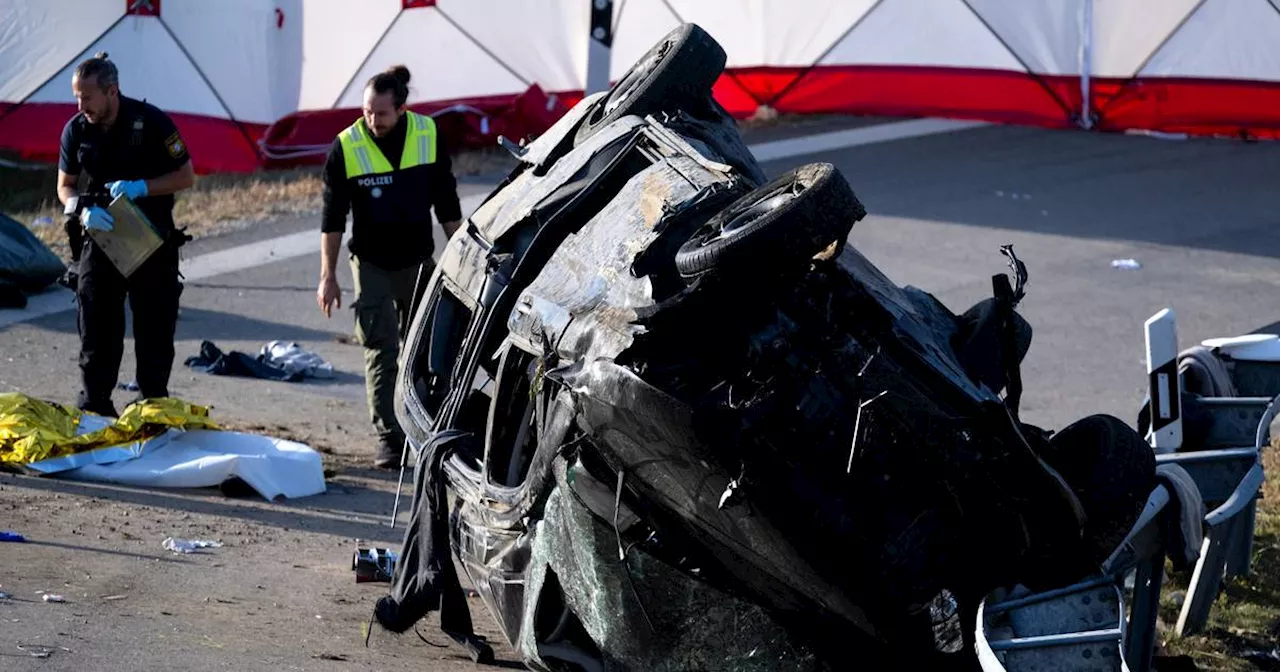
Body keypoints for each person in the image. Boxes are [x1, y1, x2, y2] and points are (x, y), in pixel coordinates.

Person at [317, 65, 462, 468]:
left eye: (379, 113)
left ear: (400, 109)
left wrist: (466, 258)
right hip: (372, 265)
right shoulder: (346, 146)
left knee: (424, 351)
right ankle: (390, 440)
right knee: (381, 350)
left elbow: (447, 205)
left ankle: (423, 429)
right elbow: (332, 220)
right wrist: (328, 276)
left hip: (418, 263)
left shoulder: (428, 135)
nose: (371, 121)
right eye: (366, 111)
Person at [56, 52, 196, 418]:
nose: (80, 104)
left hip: (150, 240)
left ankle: (152, 410)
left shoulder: (150, 123)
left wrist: (141, 188)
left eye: (86, 97)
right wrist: (80, 209)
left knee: (154, 331)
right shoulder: (76, 130)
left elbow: (185, 176)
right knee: (97, 329)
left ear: (112, 91)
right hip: (100, 238)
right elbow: (65, 186)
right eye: (76, 97)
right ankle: (96, 409)